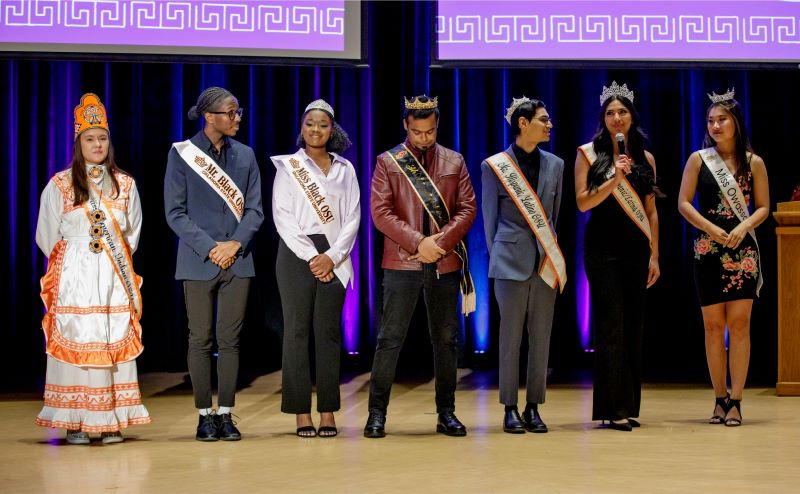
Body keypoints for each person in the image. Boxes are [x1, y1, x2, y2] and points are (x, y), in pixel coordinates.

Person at [35, 92, 151, 444]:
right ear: (78, 142)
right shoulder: (60, 184)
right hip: (75, 280)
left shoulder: (126, 184)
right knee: (78, 340)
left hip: (113, 279)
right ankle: (75, 419)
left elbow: (131, 233)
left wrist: (108, 262)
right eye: (90, 138)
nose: (97, 144)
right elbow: (47, 234)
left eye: (102, 138)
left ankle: (110, 419)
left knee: (111, 341)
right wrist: (75, 262)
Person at [364, 94, 477, 438]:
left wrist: (438, 243)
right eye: (417, 132)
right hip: (402, 262)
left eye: (429, 132)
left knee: (446, 340)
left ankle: (446, 412)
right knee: (390, 339)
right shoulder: (388, 162)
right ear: (406, 126)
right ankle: (376, 413)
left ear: (437, 126)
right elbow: (381, 212)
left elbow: (468, 208)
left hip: (444, 262)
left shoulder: (454, 161)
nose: (424, 138)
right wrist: (418, 242)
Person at [164, 86, 264, 441]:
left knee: (231, 340)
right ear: (209, 116)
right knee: (200, 339)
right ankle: (204, 414)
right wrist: (211, 248)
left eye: (239, 112)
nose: (238, 118)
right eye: (231, 112)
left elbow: (255, 209)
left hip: (239, 260)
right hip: (197, 260)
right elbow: (175, 213)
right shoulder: (182, 155)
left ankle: (226, 413)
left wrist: (235, 243)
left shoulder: (247, 156)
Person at [677, 89, 769, 427]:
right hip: (708, 247)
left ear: (736, 123)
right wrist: (709, 227)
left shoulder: (753, 162)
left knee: (740, 325)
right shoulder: (698, 160)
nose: (716, 125)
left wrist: (744, 226)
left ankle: (738, 400)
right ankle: (718, 397)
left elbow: (763, 207)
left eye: (722, 119)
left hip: (742, 249)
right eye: (711, 121)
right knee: (713, 327)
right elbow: (683, 203)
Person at [271, 99, 360, 438]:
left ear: (332, 129)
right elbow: (283, 217)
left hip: (335, 254)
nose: (316, 130)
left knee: (328, 334)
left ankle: (327, 411)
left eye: (323, 124)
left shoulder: (345, 169)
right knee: (296, 333)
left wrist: (333, 255)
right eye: (310, 123)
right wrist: (312, 256)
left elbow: (352, 217)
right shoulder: (288, 166)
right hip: (297, 254)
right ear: (302, 127)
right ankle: (300, 413)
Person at [574, 82, 660, 432]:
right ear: (603, 118)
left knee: (633, 327)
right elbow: (582, 203)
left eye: (622, 112)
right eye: (610, 113)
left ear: (631, 116)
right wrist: (613, 179)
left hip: (637, 249)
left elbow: (651, 211)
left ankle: (628, 403)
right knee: (611, 325)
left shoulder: (646, 157)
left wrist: (655, 254)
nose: (616, 118)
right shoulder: (588, 154)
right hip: (602, 249)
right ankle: (610, 408)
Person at [481, 97, 565, 434]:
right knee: (510, 338)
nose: (549, 125)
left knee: (541, 337)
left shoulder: (556, 164)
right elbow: (489, 222)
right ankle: (509, 407)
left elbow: (553, 217)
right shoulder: (494, 166)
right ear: (522, 123)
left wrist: (547, 250)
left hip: (545, 262)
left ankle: (534, 406)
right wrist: (501, 256)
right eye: (543, 120)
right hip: (509, 262)